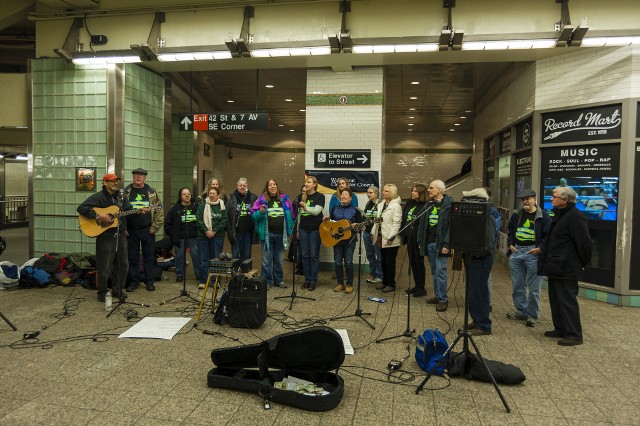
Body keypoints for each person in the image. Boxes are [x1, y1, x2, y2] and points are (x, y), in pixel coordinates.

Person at [540, 185, 592, 346]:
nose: (551, 198)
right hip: (556, 266)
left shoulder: (575, 217)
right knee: (555, 299)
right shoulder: (559, 214)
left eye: (554, 196)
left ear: (564, 199)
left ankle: (574, 334)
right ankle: (561, 329)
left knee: (567, 300)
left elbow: (584, 243)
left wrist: (583, 262)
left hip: (567, 267)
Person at [77, 173, 134, 302]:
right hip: (105, 234)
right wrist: (99, 216)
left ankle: (117, 290)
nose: (115, 183)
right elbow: (81, 208)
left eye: (116, 181)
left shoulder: (121, 197)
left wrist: (138, 211)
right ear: (105, 182)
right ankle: (102, 292)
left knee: (123, 263)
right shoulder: (99, 197)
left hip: (120, 233)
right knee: (105, 265)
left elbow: (128, 211)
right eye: (112, 181)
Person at [506, 189, 551, 327]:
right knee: (517, 286)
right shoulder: (517, 214)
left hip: (533, 254)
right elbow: (511, 230)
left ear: (534, 199)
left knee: (534, 288)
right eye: (523, 199)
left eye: (528, 198)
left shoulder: (543, 216)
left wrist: (540, 249)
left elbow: (548, 235)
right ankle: (521, 311)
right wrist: (510, 244)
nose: (525, 201)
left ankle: (532, 315)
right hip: (517, 252)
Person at [459, 187, 499, 335]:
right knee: (473, 291)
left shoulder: (488, 216)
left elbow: (486, 241)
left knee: (479, 291)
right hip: (472, 256)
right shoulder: (476, 216)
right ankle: (477, 320)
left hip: (480, 258)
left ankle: (483, 325)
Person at [124, 168, 163, 292]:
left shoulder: (151, 192)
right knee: (133, 258)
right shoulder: (126, 192)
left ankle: (149, 281)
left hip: (148, 231)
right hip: (131, 231)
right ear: (133, 177)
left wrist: (154, 228)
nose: (138, 177)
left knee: (149, 257)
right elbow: (119, 212)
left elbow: (159, 211)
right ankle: (134, 282)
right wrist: (124, 228)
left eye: (141, 175)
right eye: (136, 175)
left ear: (145, 177)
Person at [251, 178, 294, 289]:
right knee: (266, 260)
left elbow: (291, 216)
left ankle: (279, 280)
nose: (272, 186)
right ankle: (267, 281)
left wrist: (291, 231)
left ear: (277, 186)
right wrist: (260, 212)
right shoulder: (261, 200)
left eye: (274, 184)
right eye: (270, 185)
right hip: (267, 235)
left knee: (279, 259)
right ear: (267, 187)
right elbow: (254, 217)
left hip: (281, 235)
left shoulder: (285, 200)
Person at [417, 179, 453, 312]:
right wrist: (421, 241)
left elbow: (451, 227)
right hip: (429, 243)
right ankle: (438, 296)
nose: (428, 190)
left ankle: (443, 299)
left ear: (439, 190)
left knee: (440, 271)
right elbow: (422, 224)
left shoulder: (448, 205)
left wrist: (447, 244)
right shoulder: (429, 204)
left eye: (431, 188)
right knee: (434, 271)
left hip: (441, 245)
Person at [325, 188, 363, 294]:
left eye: (346, 194)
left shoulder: (356, 210)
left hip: (350, 241)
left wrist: (356, 226)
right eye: (342, 195)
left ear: (350, 198)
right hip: (337, 241)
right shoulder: (334, 209)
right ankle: (340, 283)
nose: (343, 196)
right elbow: (331, 225)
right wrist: (326, 221)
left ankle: (349, 284)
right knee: (337, 262)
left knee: (348, 262)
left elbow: (361, 225)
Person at [164, 187, 202, 284]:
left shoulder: (196, 207)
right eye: (184, 194)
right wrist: (173, 235)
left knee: (196, 256)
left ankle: (198, 274)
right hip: (180, 238)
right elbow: (167, 225)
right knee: (180, 257)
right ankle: (179, 274)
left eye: (189, 194)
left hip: (194, 237)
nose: (187, 196)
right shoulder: (175, 209)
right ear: (180, 196)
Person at [296, 176, 325, 291]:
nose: (306, 184)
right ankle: (307, 280)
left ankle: (313, 281)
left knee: (314, 256)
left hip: (315, 230)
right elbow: (299, 215)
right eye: (306, 182)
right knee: (305, 256)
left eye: (309, 182)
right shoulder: (301, 197)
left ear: (314, 184)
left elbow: (316, 212)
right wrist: (298, 229)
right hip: (303, 229)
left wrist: (305, 207)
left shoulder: (320, 197)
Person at [371, 183, 402, 293]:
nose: (383, 192)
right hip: (381, 237)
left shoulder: (396, 206)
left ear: (392, 193)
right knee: (383, 261)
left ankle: (391, 284)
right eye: (383, 190)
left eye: (386, 191)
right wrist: (373, 233)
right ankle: (384, 281)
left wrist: (391, 237)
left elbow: (396, 224)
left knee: (390, 262)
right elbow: (378, 220)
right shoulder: (382, 204)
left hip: (390, 239)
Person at [196, 187, 228, 288]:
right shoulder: (202, 206)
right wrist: (206, 230)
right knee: (203, 258)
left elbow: (224, 221)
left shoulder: (222, 206)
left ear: (218, 195)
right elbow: (199, 219)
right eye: (210, 193)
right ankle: (203, 281)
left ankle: (215, 281)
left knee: (215, 259)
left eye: (214, 193)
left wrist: (214, 231)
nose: (212, 195)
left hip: (217, 236)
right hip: (203, 236)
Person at [402, 184, 428, 297]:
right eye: (412, 190)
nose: (412, 193)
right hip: (409, 237)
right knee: (412, 262)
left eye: (415, 191)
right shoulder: (410, 203)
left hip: (417, 238)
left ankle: (421, 288)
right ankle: (417, 285)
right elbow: (405, 218)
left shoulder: (425, 205)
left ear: (421, 193)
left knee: (419, 262)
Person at [226, 177, 258, 262]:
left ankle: (245, 274)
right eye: (240, 185)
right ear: (237, 186)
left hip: (248, 232)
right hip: (236, 232)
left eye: (244, 185)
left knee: (247, 256)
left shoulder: (253, 197)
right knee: (235, 256)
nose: (242, 187)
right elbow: (227, 216)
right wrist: (229, 232)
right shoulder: (232, 199)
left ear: (247, 186)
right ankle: (235, 273)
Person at [363, 186, 383, 285]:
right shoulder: (368, 203)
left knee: (378, 255)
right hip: (366, 232)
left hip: (376, 233)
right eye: (368, 193)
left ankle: (380, 275)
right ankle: (373, 273)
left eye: (370, 193)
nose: (368, 194)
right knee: (370, 255)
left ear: (376, 193)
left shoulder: (380, 204)